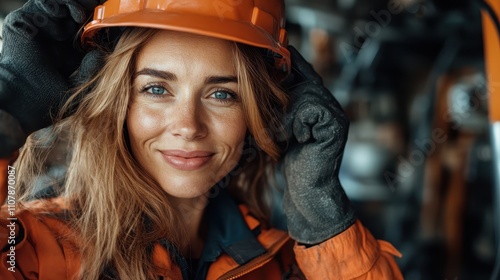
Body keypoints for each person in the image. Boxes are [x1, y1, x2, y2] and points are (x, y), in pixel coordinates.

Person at [0, 0, 403, 279]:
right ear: (117, 103)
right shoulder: (33, 250)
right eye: (157, 89)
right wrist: (7, 114)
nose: (188, 125)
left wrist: (322, 218)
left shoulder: (284, 265)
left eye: (222, 94)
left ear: (257, 114)